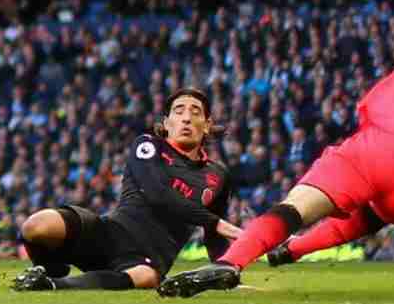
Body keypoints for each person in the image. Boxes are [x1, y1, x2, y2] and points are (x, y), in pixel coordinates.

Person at [159, 0, 394, 298]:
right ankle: (295, 251)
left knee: (296, 208)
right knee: (373, 214)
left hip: (382, 146)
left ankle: (230, 263)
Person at [12, 88, 240, 292]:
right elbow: (157, 194)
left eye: (195, 112)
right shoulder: (148, 145)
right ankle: (50, 269)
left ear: (207, 125)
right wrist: (218, 223)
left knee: (146, 277)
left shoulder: (218, 175)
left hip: (147, 257)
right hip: (109, 233)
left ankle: (49, 285)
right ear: (167, 122)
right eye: (178, 111)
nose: (186, 118)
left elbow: (214, 239)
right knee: (36, 226)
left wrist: (227, 272)